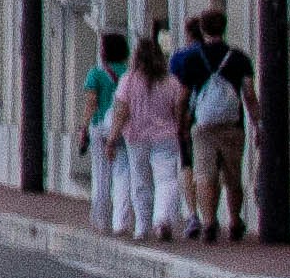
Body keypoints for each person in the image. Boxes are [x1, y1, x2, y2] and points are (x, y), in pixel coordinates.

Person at [178, 12, 257, 244]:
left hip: (202, 127)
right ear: (224, 28)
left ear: (202, 30)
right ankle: (234, 221)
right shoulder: (239, 58)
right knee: (233, 175)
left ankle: (209, 223)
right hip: (233, 126)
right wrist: (257, 122)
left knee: (204, 174)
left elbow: (182, 97)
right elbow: (249, 94)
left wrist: (182, 122)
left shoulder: (193, 60)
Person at [109, 31, 189, 242]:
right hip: (166, 136)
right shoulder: (171, 81)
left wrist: (113, 137)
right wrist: (180, 125)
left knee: (140, 181)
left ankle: (142, 227)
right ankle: (162, 218)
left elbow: (121, 110)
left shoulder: (128, 80)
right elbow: (179, 107)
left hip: (136, 137)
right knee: (166, 179)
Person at [81, 30, 130, 232]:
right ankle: (121, 220)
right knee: (123, 173)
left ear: (104, 52)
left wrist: (84, 127)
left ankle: (101, 220)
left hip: (100, 126)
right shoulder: (128, 74)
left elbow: (91, 103)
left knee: (101, 174)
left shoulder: (96, 74)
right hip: (122, 128)